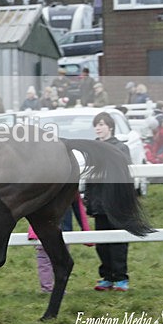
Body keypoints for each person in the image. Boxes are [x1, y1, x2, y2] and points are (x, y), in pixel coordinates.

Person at [83, 112, 133, 292]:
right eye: (96, 125)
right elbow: (89, 176)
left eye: (102, 124)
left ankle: (121, 278)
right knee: (102, 243)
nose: (98, 128)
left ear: (110, 126)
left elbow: (124, 172)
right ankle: (107, 276)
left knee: (118, 241)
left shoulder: (120, 147)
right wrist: (87, 199)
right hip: (98, 202)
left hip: (116, 202)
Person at [27, 192, 91, 293]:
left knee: (46, 260)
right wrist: (86, 231)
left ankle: (48, 287)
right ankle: (54, 288)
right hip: (57, 231)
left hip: (48, 230)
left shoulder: (40, 188)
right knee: (58, 260)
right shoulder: (69, 188)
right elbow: (79, 210)